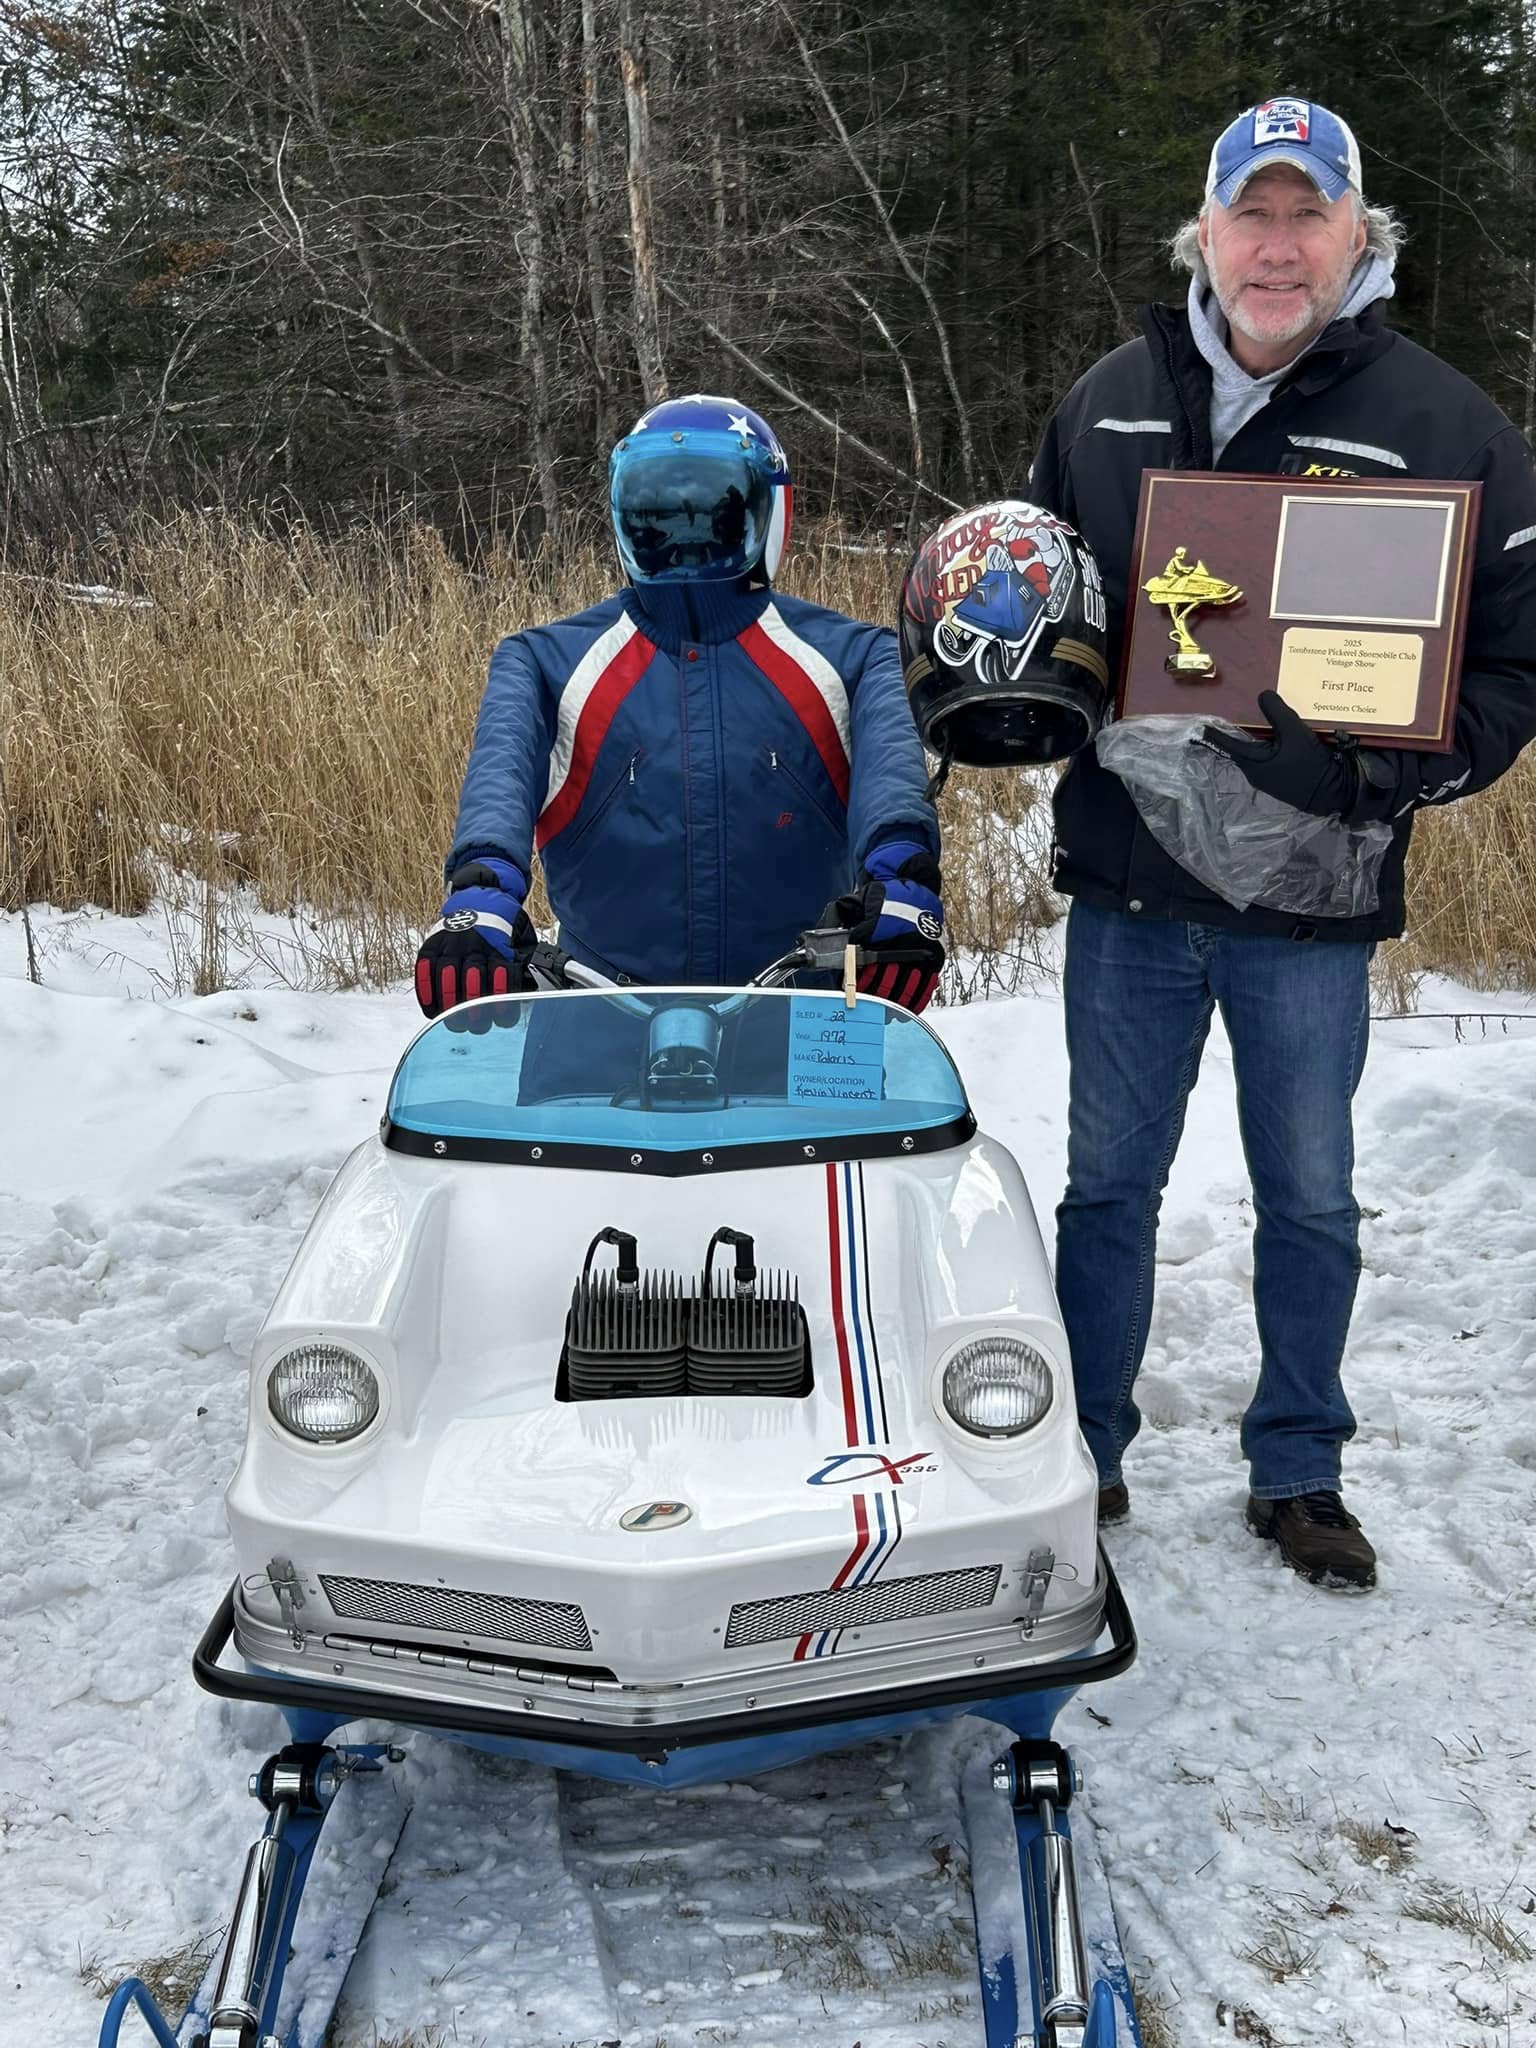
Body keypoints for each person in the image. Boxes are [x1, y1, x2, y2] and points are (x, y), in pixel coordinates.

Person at [1028, 98, 1536, 1589]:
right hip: (1131, 885)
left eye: (1309, 215)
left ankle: (1299, 1465)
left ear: (1357, 237)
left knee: (1308, 1192)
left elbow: (1511, 678)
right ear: (1206, 231)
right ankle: (1084, 1452)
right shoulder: (1108, 405)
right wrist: (1011, 693)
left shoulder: (1449, 430)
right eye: (1252, 213)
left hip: (1313, 900)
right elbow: (1048, 617)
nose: (1277, 244)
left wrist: (1382, 776)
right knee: (1108, 1189)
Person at [414, 394, 945, 1035]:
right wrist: (480, 898)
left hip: (808, 1016)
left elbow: (892, 779)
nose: (686, 537)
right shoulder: (546, 661)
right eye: (658, 514)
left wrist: (902, 883)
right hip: (598, 1013)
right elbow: (499, 778)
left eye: (713, 513)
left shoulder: (854, 658)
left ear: (768, 512)